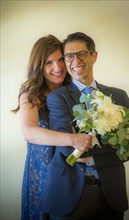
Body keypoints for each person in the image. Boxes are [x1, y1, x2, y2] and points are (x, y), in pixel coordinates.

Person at [40, 32, 129, 220]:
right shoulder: (58, 98)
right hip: (70, 194)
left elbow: (128, 148)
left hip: (112, 193)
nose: (75, 61)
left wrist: (91, 157)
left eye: (81, 54)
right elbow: (68, 151)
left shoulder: (119, 96)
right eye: (69, 57)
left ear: (94, 56)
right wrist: (109, 149)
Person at [12, 35, 93, 220]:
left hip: (70, 168)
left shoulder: (74, 89)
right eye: (49, 63)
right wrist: (72, 139)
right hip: (42, 168)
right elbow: (28, 131)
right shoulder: (30, 92)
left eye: (60, 60)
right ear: (38, 66)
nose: (57, 68)